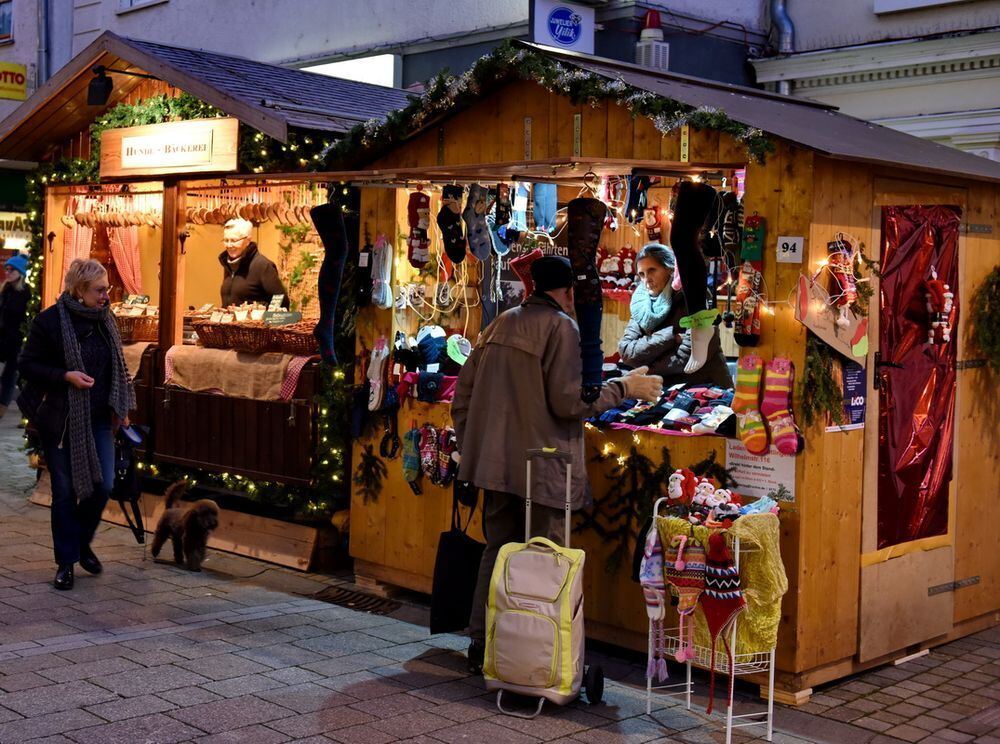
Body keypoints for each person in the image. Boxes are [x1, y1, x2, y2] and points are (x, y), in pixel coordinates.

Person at [452, 255, 663, 673]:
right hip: (541, 465)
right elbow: (570, 401)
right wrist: (625, 387)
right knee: (544, 556)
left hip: (494, 465)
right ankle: (536, 654)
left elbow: (464, 396)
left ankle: (484, 645)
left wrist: (476, 446)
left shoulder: (500, 322)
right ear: (569, 291)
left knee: (499, 551)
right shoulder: (561, 327)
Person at [18, 259, 135, 590]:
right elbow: (27, 365)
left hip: (98, 418)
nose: (105, 296)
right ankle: (66, 562)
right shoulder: (50, 321)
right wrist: (65, 376)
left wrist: (122, 404)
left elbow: (116, 366)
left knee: (104, 485)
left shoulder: (104, 320)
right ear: (79, 289)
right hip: (61, 420)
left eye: (107, 289)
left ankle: (81, 542)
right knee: (65, 492)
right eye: (99, 290)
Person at [618, 243, 733, 389]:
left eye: (652, 270)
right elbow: (627, 351)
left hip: (704, 388)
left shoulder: (693, 295)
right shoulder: (641, 304)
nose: (647, 279)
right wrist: (671, 336)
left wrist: (645, 368)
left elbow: (689, 355)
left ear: (669, 269)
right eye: (642, 274)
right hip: (664, 391)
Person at [218, 218, 288, 307]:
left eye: (234, 240)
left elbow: (281, 301)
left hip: (254, 320)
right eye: (226, 240)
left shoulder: (263, 265)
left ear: (248, 240)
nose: (229, 245)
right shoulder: (229, 264)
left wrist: (258, 312)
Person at [0, 254, 31, 417]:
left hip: (17, 340)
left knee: (12, 375)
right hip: (3, 339)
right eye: (6, 268)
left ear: (21, 272)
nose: (8, 271)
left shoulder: (25, 292)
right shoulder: (5, 289)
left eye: (12, 269)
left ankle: (5, 408)